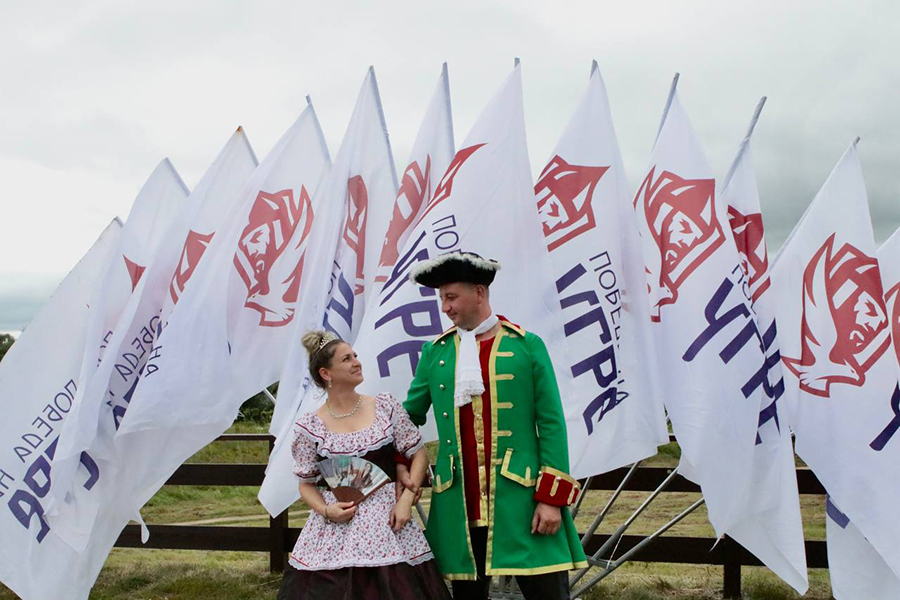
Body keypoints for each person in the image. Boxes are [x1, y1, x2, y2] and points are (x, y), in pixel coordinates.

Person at [400, 251, 587, 600]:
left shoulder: (526, 346)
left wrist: (550, 499)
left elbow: (551, 424)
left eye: (452, 297)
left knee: (548, 593)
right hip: (459, 502)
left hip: (522, 499)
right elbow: (408, 418)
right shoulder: (435, 353)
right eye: (442, 299)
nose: (446, 308)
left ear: (480, 292)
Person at [277, 330, 451, 600]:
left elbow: (418, 455)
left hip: (388, 523)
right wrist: (326, 510)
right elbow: (306, 484)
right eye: (347, 359)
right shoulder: (310, 427)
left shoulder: (384, 407)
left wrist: (406, 500)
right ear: (326, 374)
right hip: (335, 527)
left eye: (355, 356)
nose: (357, 362)